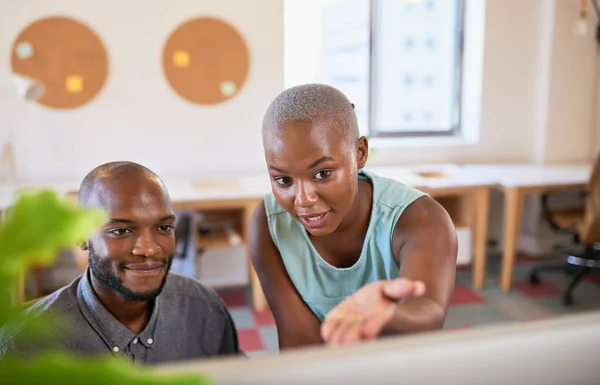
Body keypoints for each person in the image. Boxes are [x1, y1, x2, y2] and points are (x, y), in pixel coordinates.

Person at [249, 84, 457, 349]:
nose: (303, 199)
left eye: (322, 174)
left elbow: (430, 311)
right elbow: (299, 342)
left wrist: (386, 313)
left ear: (360, 153)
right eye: (283, 180)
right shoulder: (268, 225)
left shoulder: (420, 218)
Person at [0, 161, 241, 364]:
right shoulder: (23, 348)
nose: (148, 248)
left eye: (164, 227)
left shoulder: (203, 308)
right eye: (121, 230)